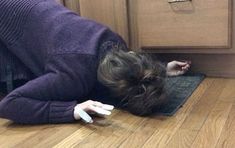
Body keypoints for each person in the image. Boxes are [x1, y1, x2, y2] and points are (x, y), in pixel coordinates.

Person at [0, 0, 190, 124]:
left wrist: (162, 68)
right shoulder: (72, 76)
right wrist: (72, 110)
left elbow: (133, 68)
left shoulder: (116, 43)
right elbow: (10, 105)